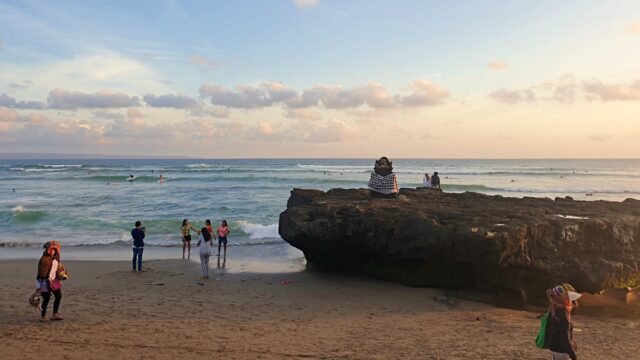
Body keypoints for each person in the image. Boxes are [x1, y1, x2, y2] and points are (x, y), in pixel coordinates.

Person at [544, 284, 581, 360]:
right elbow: (565, 338)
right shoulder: (562, 314)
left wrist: (572, 343)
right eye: (570, 299)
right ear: (563, 298)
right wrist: (573, 355)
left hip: (554, 348)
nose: (572, 302)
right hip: (561, 351)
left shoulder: (554, 307)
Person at [36, 241, 63, 322]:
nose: (53, 251)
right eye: (51, 249)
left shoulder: (56, 257)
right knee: (47, 298)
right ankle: (43, 316)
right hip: (44, 281)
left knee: (58, 295)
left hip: (54, 279)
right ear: (47, 250)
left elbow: (57, 265)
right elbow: (40, 274)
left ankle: (55, 314)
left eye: (55, 250)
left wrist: (60, 276)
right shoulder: (43, 259)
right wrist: (39, 287)